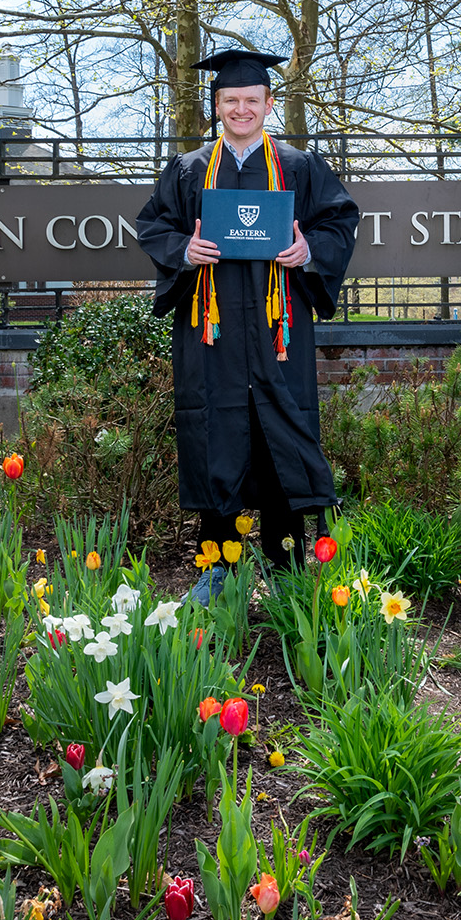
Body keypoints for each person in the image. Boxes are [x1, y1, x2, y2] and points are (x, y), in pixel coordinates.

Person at [135, 49, 360, 601]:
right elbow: (152, 225)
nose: (241, 109)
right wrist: (184, 249)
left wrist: (309, 249)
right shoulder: (189, 170)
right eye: (230, 101)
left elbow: (340, 220)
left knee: (281, 430)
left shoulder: (300, 166)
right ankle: (218, 569)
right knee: (217, 432)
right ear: (217, 107)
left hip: (279, 331)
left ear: (269, 103)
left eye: (251, 100)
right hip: (210, 332)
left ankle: (285, 568)